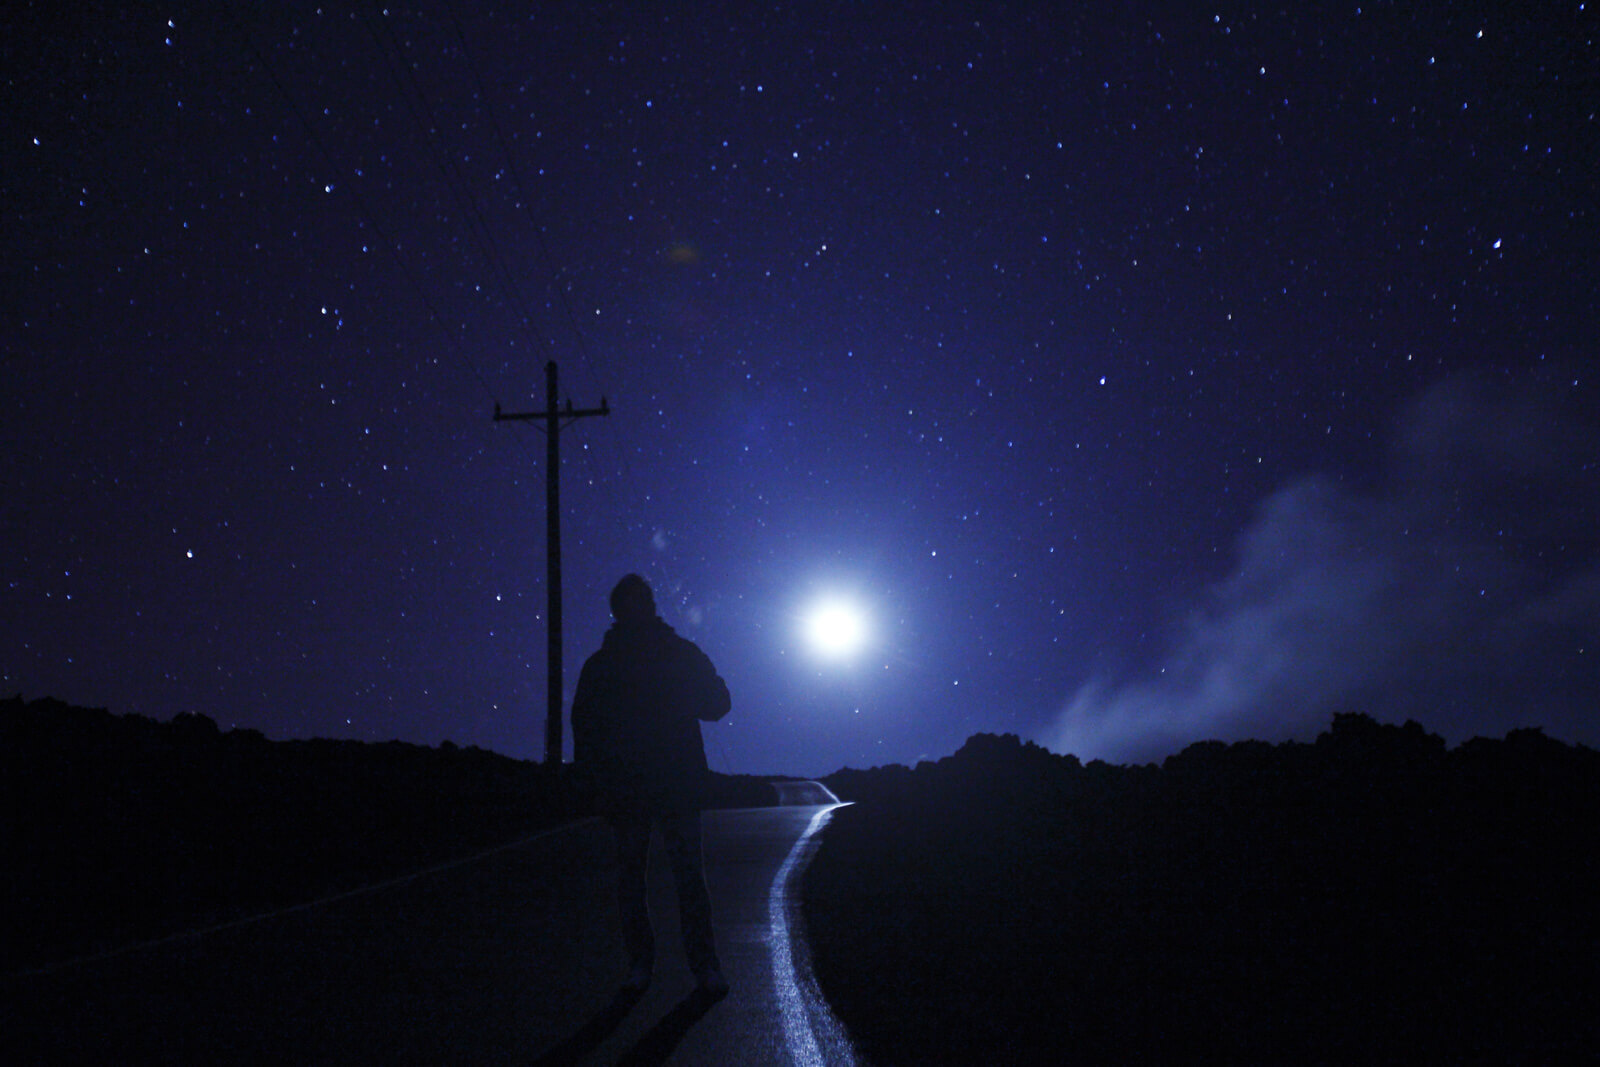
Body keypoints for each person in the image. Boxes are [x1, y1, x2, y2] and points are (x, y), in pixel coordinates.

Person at [571, 574, 733, 999]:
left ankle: (690, 967)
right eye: (630, 604)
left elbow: (718, 702)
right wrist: (593, 781)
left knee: (679, 878)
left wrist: (683, 698)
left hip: (667, 782)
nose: (635, 611)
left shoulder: (668, 655)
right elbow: (585, 727)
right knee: (645, 879)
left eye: (638, 603)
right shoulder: (607, 664)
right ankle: (656, 966)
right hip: (633, 786)